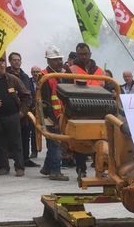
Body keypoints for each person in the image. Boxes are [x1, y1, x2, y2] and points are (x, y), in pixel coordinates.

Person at [0, 57, 31, 176]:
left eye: (3, 63)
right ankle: (3, 167)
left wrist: (22, 112)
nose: (2, 66)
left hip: (13, 116)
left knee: (16, 143)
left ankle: (19, 167)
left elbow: (26, 96)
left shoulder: (13, 79)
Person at [68, 42, 106, 179]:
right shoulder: (70, 70)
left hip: (99, 111)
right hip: (79, 112)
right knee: (80, 142)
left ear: (90, 54)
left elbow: (108, 87)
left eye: (86, 53)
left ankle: (100, 169)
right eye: (80, 54)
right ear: (76, 55)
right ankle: (81, 169)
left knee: (100, 141)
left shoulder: (100, 71)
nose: (83, 56)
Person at [39, 46, 69, 181]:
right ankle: (55, 171)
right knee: (56, 143)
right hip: (50, 116)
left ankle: (46, 167)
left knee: (53, 143)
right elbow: (45, 101)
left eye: (60, 59)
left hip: (60, 115)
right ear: (49, 61)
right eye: (56, 60)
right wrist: (54, 118)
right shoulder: (44, 76)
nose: (60, 62)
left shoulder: (60, 74)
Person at [6, 52, 39, 168]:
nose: (16, 62)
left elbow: (29, 92)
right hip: (10, 110)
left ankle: (25, 159)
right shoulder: (5, 75)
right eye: (14, 60)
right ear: (10, 61)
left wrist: (29, 107)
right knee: (13, 136)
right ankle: (15, 159)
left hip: (24, 111)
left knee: (26, 135)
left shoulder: (25, 76)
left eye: (18, 60)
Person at [29, 65, 42, 159]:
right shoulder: (28, 82)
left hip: (43, 110)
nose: (36, 74)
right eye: (34, 72)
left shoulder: (44, 81)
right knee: (33, 132)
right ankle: (34, 151)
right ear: (31, 73)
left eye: (37, 71)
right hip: (32, 110)